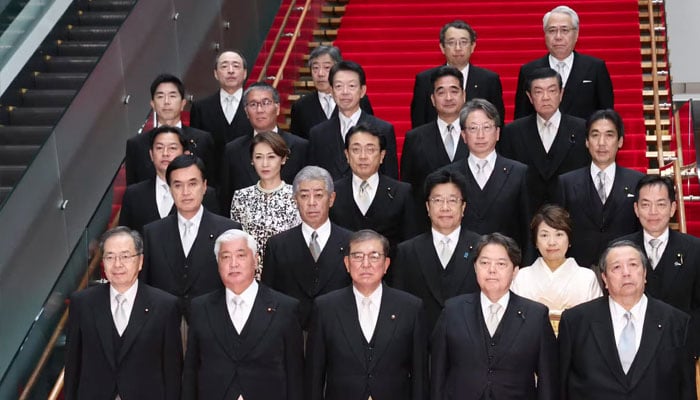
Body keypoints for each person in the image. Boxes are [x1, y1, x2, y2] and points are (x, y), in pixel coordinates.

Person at [559, 240, 696, 399]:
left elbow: (687, 390)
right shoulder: (575, 321)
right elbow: (562, 386)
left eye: (633, 265)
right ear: (604, 278)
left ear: (644, 273)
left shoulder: (676, 322)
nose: (626, 273)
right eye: (616, 267)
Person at [431, 233, 558, 400]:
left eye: (501, 264)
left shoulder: (535, 315)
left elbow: (548, 380)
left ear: (514, 271)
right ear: (475, 268)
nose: (492, 270)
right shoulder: (453, 310)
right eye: (484, 263)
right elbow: (437, 372)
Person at [305, 230, 428, 400]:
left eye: (374, 256)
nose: (366, 263)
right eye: (357, 256)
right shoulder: (326, 307)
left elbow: (420, 376)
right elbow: (314, 376)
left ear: (386, 264)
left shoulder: (410, 307)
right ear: (347, 263)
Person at [182, 229, 303, 400]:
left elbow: (295, 374)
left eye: (241, 255)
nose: (233, 263)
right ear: (217, 264)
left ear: (256, 260)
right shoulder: (201, 308)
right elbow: (191, 371)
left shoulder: (284, 308)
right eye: (225, 257)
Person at [65, 227, 182, 400]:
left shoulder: (165, 305)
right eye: (110, 257)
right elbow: (73, 365)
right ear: (103, 262)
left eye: (125, 256)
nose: (117, 264)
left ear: (140, 261)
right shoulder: (82, 303)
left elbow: (172, 371)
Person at [141, 154, 240, 320]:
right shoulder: (152, 233)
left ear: (204, 186)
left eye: (192, 184)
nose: (185, 192)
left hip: (214, 324)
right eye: (178, 185)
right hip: (164, 325)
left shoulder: (228, 230)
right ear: (170, 189)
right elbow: (146, 287)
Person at [618, 175, 700, 358]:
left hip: (679, 350)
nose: (653, 212)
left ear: (672, 208)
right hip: (631, 353)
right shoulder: (619, 249)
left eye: (661, 204)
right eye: (646, 205)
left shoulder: (695, 249)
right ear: (636, 209)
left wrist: (692, 349)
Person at [262, 166, 352, 330]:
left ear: (331, 199)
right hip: (291, 334)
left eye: (319, 195)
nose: (312, 203)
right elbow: (269, 298)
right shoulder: (277, 245)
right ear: (295, 200)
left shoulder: (351, 242)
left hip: (340, 334)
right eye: (304, 196)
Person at [392, 169, 481, 331]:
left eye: (452, 201)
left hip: (470, 344)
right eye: (437, 200)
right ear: (427, 206)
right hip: (422, 345)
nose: (445, 207)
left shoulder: (481, 248)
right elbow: (400, 305)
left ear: (463, 207)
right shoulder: (407, 251)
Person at [441, 98, 532, 257]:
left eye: (487, 127)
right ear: (463, 135)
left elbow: (527, 228)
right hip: (461, 263)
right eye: (473, 128)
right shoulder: (449, 175)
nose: (480, 135)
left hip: (505, 264)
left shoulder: (519, 172)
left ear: (497, 133)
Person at [556, 109, 643, 267]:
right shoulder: (566, 182)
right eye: (595, 135)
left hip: (623, 268)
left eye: (609, 135)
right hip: (579, 270)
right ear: (587, 142)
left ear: (620, 141)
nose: (601, 142)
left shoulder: (637, 181)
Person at [499, 67, 590, 210]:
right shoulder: (513, 132)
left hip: (572, 213)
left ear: (561, 93)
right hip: (527, 214)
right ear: (529, 97)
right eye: (538, 92)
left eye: (552, 90)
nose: (545, 97)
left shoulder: (582, 129)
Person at [219, 82, 309, 211]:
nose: (259, 110)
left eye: (266, 103)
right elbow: (225, 198)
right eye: (253, 104)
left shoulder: (300, 147)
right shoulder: (233, 150)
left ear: (277, 108)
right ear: (246, 111)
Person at [514, 5, 614, 120]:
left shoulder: (595, 68)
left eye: (564, 30)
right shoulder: (529, 71)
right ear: (544, 35)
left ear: (576, 34)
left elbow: (607, 116)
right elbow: (521, 119)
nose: (558, 37)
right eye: (552, 31)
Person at [329, 124, 417, 251]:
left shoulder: (401, 192)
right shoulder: (333, 192)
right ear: (347, 155)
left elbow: (410, 243)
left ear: (382, 156)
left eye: (370, 150)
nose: (363, 156)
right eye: (356, 150)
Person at [119, 126, 220, 233]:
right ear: (151, 154)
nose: (165, 153)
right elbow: (124, 236)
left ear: (185, 154)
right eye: (159, 148)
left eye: (172, 148)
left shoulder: (205, 193)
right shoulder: (134, 194)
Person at [308, 60, 398, 180]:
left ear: (362, 91)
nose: (345, 92)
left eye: (351, 86)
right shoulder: (318, 133)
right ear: (332, 91)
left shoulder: (383, 129)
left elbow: (390, 178)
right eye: (339, 86)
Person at [402, 66, 467, 228]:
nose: (448, 97)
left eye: (454, 91)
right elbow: (408, 191)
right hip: (427, 228)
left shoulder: (479, 134)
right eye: (441, 92)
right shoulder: (415, 138)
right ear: (432, 99)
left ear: (464, 95)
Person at [230, 131, 301, 278]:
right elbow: (236, 242)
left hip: (287, 276)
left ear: (283, 159)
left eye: (271, 157)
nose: (265, 164)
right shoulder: (241, 197)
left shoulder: (297, 196)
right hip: (249, 277)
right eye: (258, 157)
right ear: (251, 161)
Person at [511, 204, 602, 317]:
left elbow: (596, 319)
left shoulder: (587, 277)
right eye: (544, 235)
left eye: (559, 234)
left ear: (569, 240)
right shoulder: (522, 277)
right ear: (535, 241)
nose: (552, 242)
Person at [410, 20, 504, 128]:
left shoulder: (489, 80)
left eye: (463, 42)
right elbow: (419, 124)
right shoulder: (425, 80)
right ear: (442, 47)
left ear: (473, 46)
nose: (458, 48)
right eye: (451, 42)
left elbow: (497, 124)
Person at [125, 73, 215, 185]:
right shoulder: (136, 145)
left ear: (183, 103)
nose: (166, 102)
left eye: (172, 96)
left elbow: (211, 184)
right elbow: (132, 191)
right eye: (160, 96)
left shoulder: (203, 140)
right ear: (152, 104)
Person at [289, 45, 374, 139]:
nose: (320, 73)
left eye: (327, 67)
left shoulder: (358, 99)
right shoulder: (300, 106)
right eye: (315, 68)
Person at [189, 50, 253, 163]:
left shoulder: (256, 105)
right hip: (213, 176)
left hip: (249, 174)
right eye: (224, 66)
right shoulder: (200, 108)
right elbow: (197, 148)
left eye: (236, 66)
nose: (231, 71)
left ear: (244, 73)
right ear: (215, 73)